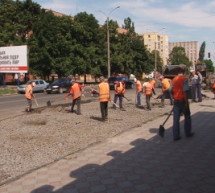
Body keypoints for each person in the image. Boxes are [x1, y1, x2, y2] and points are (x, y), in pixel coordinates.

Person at [172, 67, 194, 141]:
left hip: (176, 101)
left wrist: (174, 97)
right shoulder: (184, 79)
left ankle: (176, 135)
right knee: (187, 116)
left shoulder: (174, 79)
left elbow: (170, 89)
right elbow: (185, 91)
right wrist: (186, 102)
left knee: (176, 119)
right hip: (182, 100)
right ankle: (188, 133)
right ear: (183, 72)